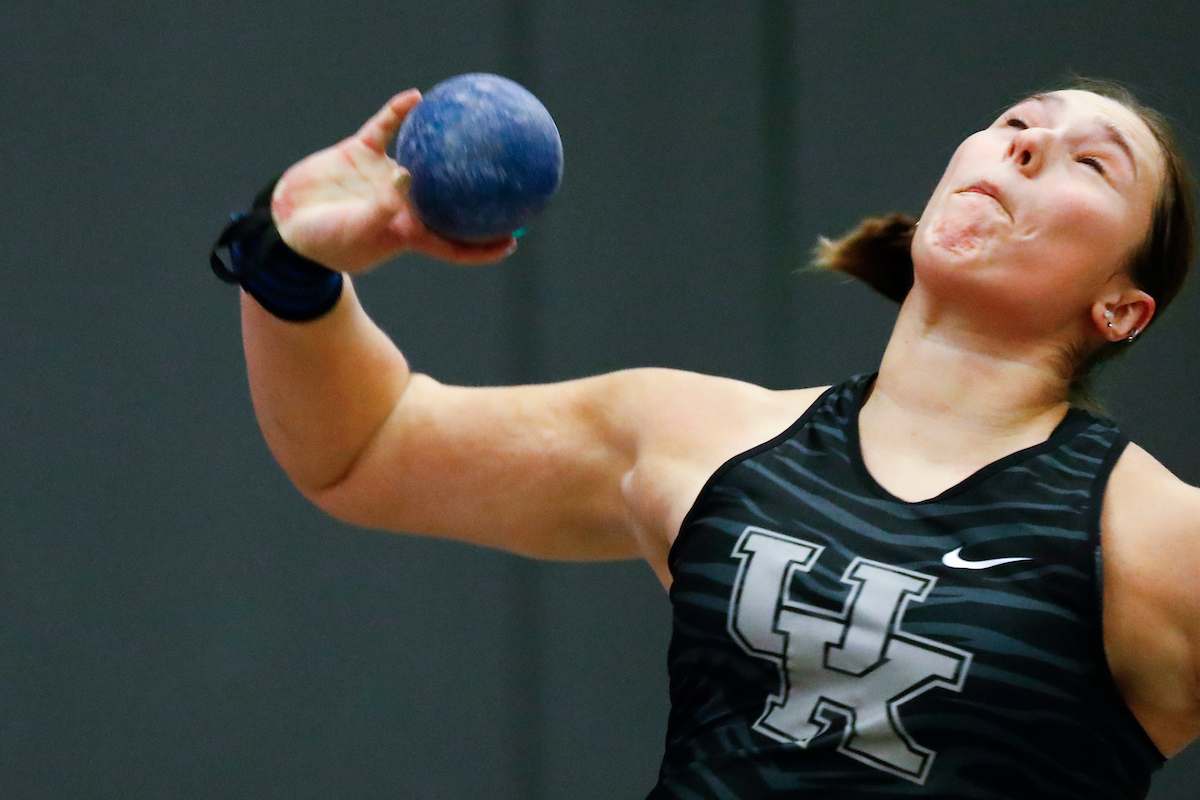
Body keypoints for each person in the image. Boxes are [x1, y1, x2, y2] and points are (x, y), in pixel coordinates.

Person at [213, 80, 1197, 799]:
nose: (1023, 147)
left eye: (1090, 160)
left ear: (1124, 307)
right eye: (1015, 124)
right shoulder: (706, 436)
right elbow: (368, 448)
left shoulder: (1159, 539)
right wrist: (286, 258)